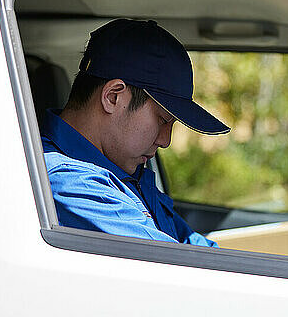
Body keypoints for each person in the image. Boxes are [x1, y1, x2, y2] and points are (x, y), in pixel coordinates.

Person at [40, 18, 230, 247]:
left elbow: (194, 247)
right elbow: (177, 266)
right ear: (113, 97)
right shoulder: (70, 183)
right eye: (162, 120)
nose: (165, 140)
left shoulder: (124, 169)